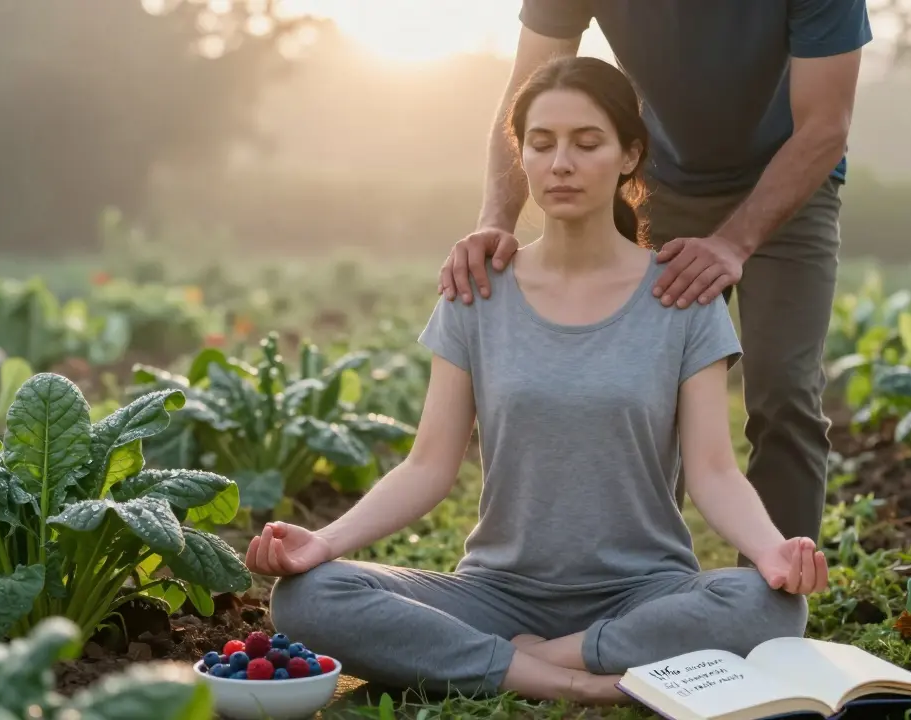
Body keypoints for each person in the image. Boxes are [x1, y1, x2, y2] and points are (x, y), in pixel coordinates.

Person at [247, 56, 830, 706]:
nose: (561, 164)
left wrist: (774, 551)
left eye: (587, 143)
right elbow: (427, 467)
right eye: (542, 144)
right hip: (496, 594)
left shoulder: (681, 296)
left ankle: (526, 665)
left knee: (768, 607)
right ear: (520, 156)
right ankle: (579, 683)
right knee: (309, 595)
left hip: (645, 594)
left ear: (629, 155)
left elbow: (715, 473)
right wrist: (320, 543)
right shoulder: (478, 292)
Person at [437, 2, 869, 565]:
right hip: (660, 183)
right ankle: (630, 580)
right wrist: (495, 220)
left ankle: (774, 599)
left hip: (789, 178)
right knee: (647, 381)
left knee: (785, 392)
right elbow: (527, 91)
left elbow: (824, 127)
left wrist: (733, 243)